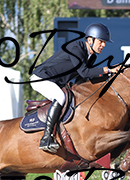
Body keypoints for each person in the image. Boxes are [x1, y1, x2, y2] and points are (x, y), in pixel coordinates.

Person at [30, 23, 120, 152]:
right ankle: (46, 138)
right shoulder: (75, 48)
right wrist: (108, 70)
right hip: (41, 78)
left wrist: (109, 76)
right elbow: (84, 72)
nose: (103, 45)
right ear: (90, 40)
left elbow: (81, 79)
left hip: (56, 82)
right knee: (60, 97)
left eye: (104, 42)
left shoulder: (92, 56)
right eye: (101, 41)